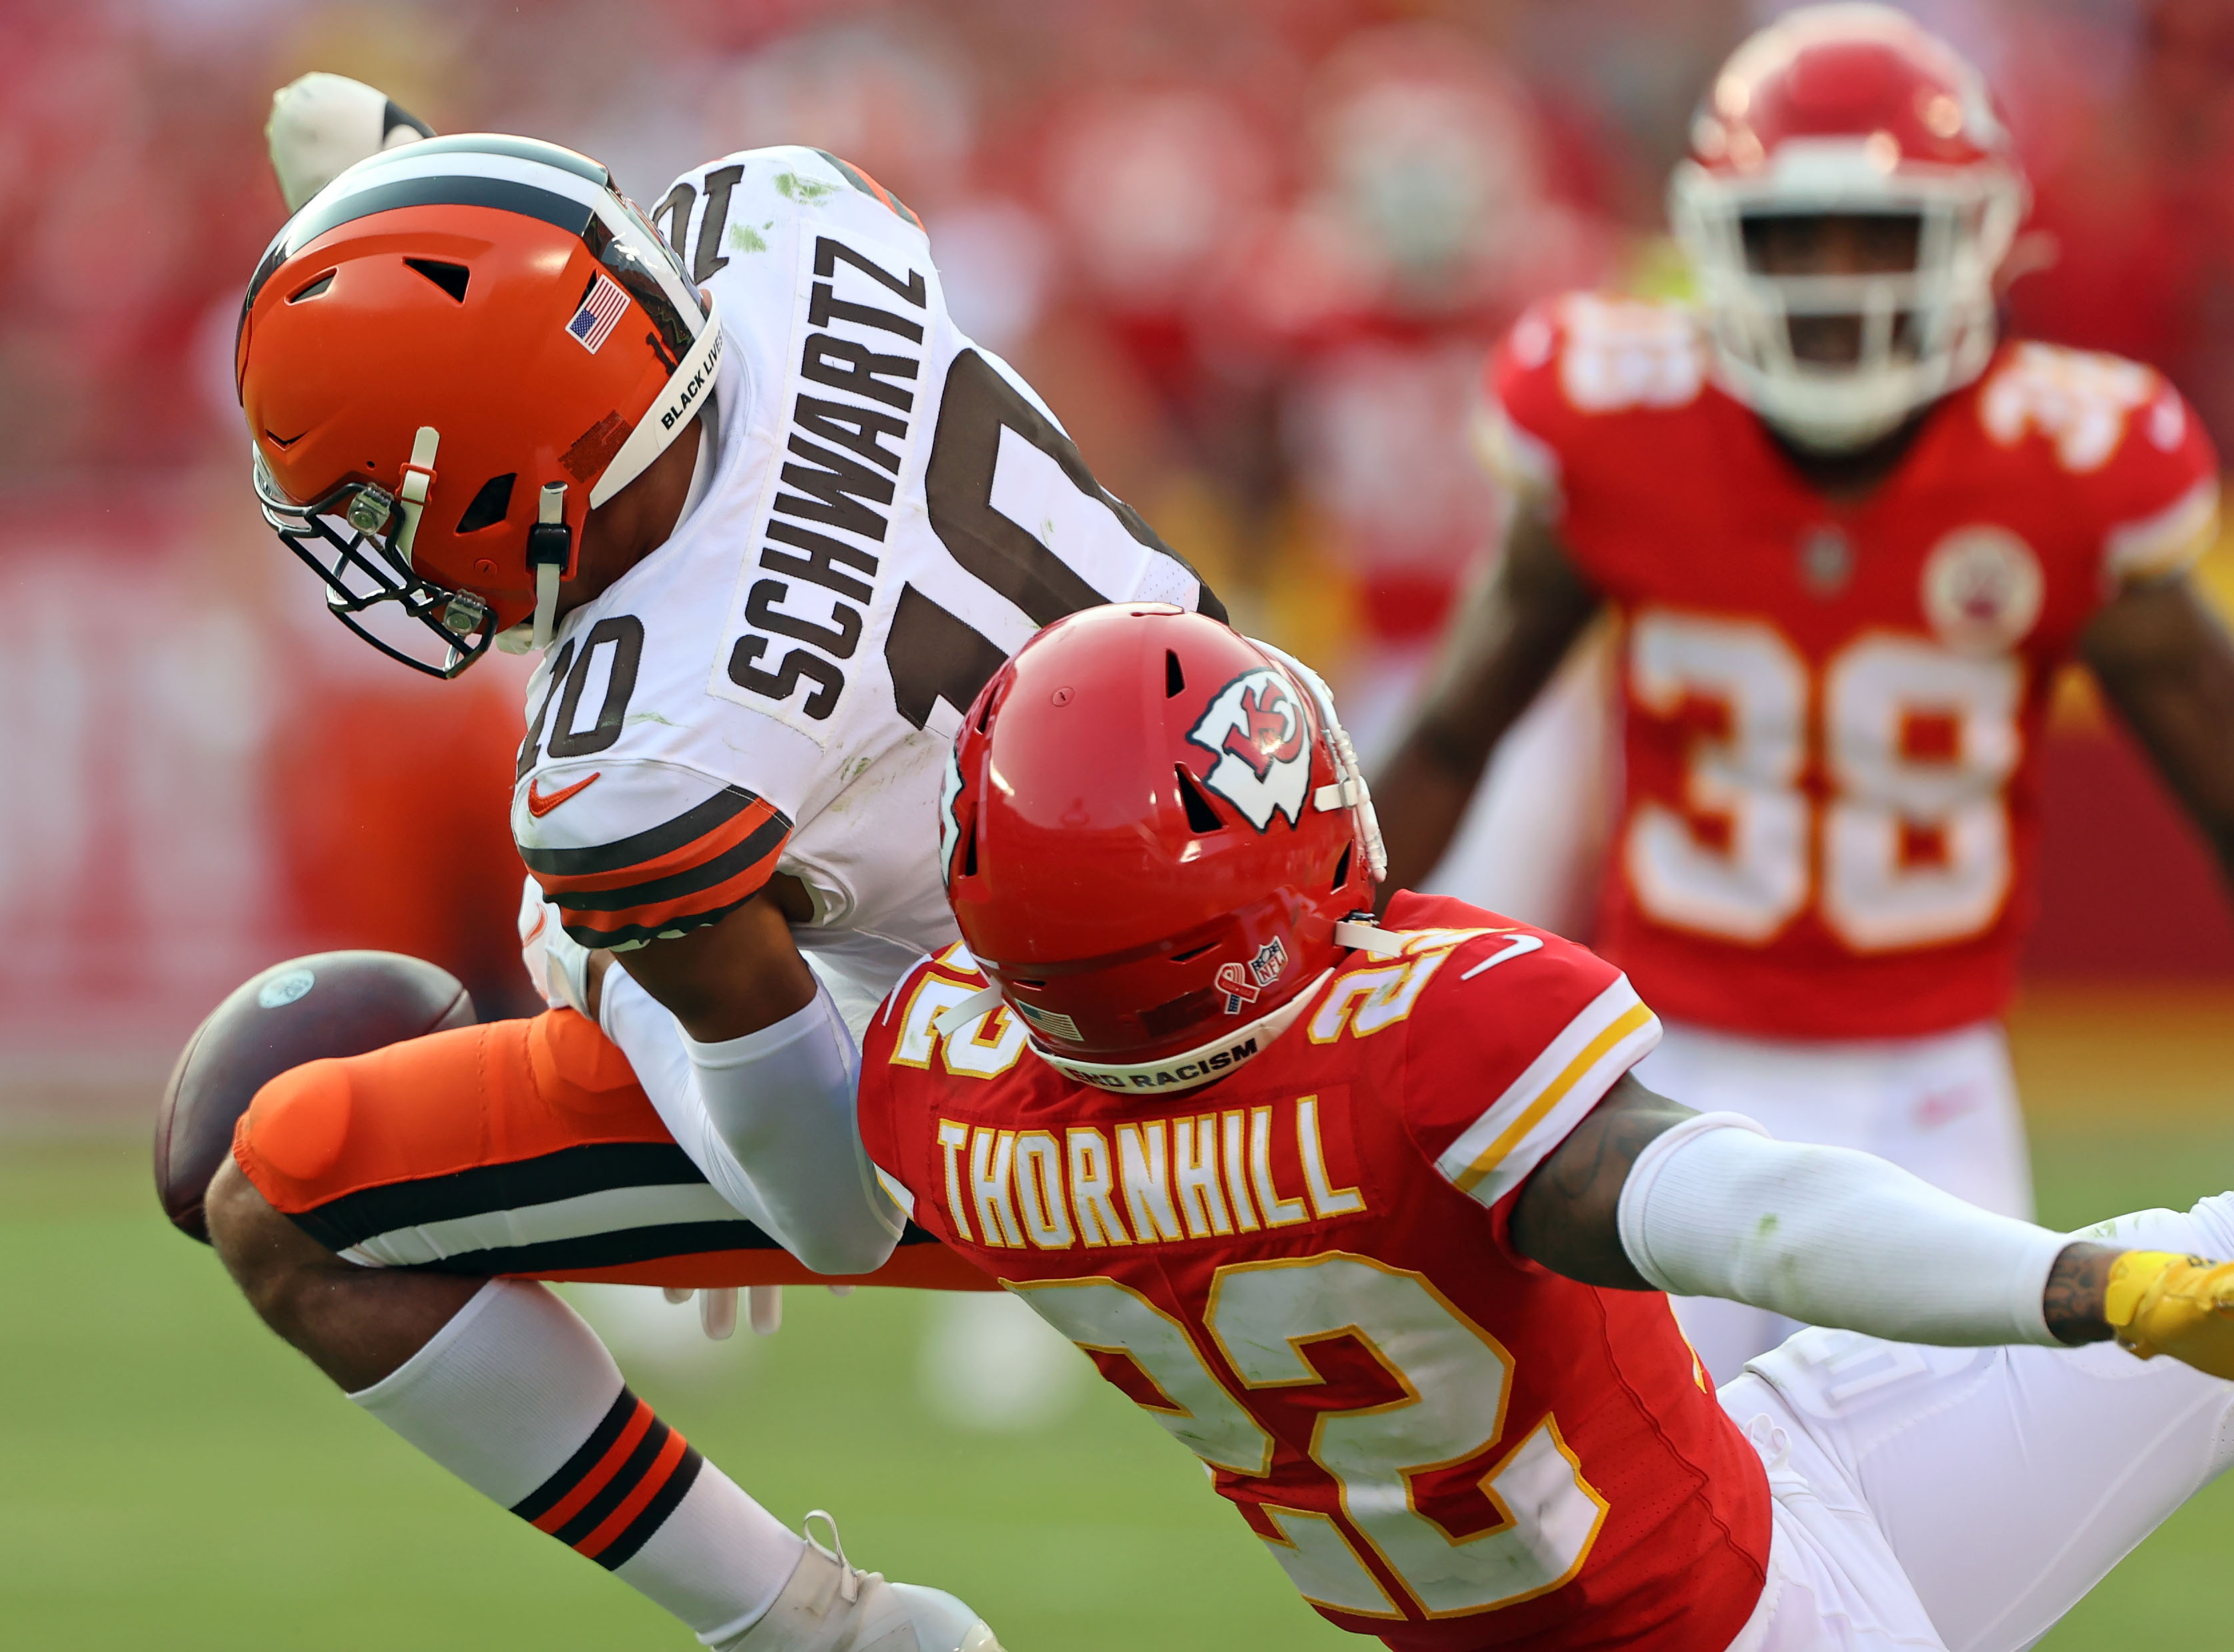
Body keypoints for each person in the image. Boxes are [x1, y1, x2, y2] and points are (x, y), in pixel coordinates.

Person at [200, 71, 1226, 1652]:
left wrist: (604, 965)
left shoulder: (647, 765)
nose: (382, 551)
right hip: (1246, 839)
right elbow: (563, 294)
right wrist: (404, 182)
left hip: (1064, 1096)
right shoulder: (784, 218)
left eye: (382, 506)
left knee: (275, 1188)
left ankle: (808, 1628)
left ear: (497, 481)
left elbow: (826, 1213)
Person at [859, 601, 2234, 1651]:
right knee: (2172, 1283)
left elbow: (779, 1124)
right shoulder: (1410, 1047)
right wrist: (2076, 1287)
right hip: (1719, 1617)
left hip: (1726, 1478)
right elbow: (1746, 1217)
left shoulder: (941, 1091)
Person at [1367, 3, 2234, 1376]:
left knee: (1935, 1556)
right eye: (1794, 236)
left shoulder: (2064, 462)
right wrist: (1298, 990)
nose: (1837, 280)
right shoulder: (1618, 422)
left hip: (1931, 1081)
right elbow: (1451, 731)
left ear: (1974, 239)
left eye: (1879, 236)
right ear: (1716, 240)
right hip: (1663, 1072)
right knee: (1662, 1541)